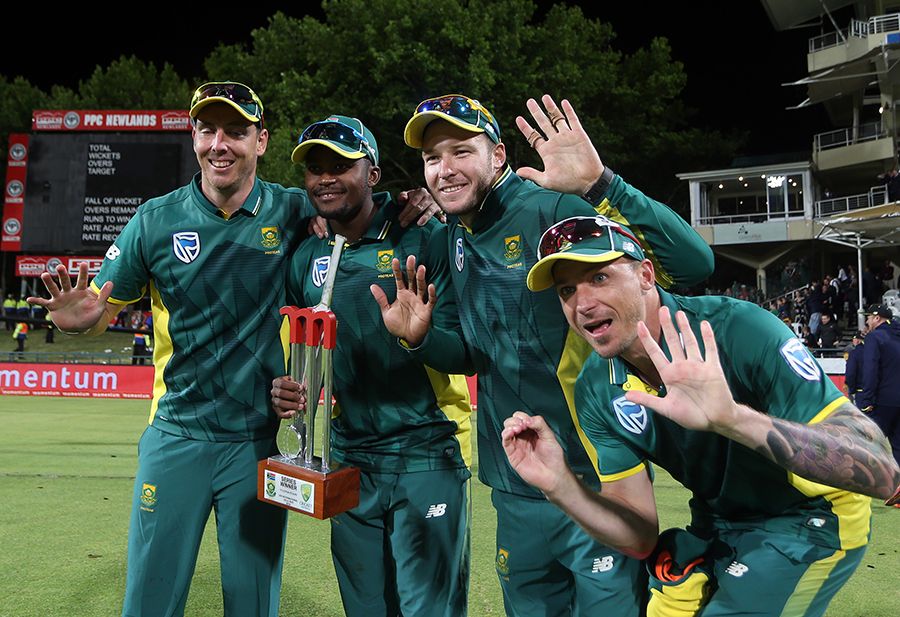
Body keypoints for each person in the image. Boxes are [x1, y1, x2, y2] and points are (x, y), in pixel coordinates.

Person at [390, 93, 714, 616]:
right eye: (432, 158)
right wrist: (423, 339)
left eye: (460, 151)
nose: (444, 170)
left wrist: (601, 185)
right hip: (515, 482)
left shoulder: (553, 209)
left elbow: (693, 265)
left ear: (498, 155)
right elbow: (474, 356)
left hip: (596, 477)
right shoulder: (453, 235)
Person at [502, 215, 900, 616]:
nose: (582, 303)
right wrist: (561, 486)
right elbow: (640, 538)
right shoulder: (595, 386)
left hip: (814, 515)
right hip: (719, 519)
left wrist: (733, 419)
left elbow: (884, 470)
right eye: (567, 289)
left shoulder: (738, 329)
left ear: (645, 275)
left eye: (599, 278)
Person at [270, 115, 472, 616]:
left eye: (341, 166)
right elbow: (300, 354)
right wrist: (290, 390)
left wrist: (419, 338)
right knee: (365, 607)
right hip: (348, 456)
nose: (325, 178)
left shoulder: (424, 236)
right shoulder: (305, 255)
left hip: (424, 450)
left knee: (429, 609)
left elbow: (464, 352)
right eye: (315, 168)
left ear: (373, 175)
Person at [857, 304, 900, 468]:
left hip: (883, 401)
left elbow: (870, 369)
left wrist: (866, 400)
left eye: (868, 317)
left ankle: (871, 479)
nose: (867, 321)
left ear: (877, 318)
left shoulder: (874, 337)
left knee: (869, 445)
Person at [844, 331, 865, 403]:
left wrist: (851, 388)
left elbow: (850, 371)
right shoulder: (872, 350)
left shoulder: (853, 352)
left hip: (858, 388)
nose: (854, 341)